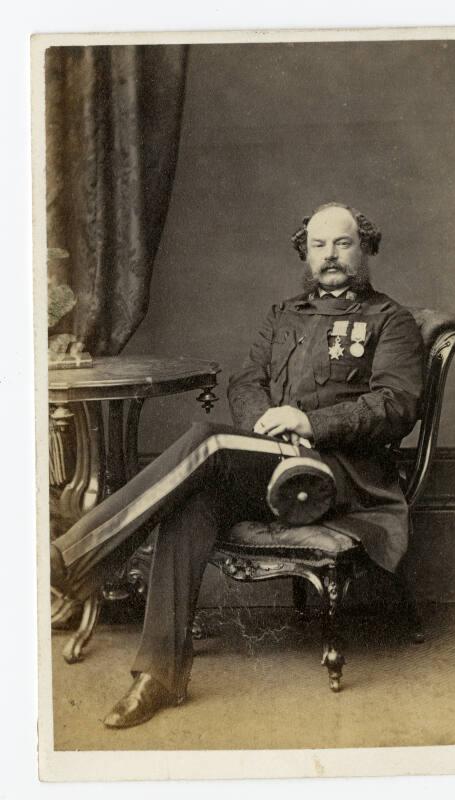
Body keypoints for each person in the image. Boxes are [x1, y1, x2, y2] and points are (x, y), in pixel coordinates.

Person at [50, 201, 424, 728]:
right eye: (319, 245)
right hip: (269, 460)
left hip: (342, 475)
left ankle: (77, 557)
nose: (330, 255)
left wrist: (309, 422)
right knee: (192, 498)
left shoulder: (391, 320)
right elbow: (247, 382)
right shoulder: (283, 315)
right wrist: (267, 421)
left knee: (206, 440)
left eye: (342, 244)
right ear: (305, 253)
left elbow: (394, 405)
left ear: (364, 249)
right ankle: (157, 675)